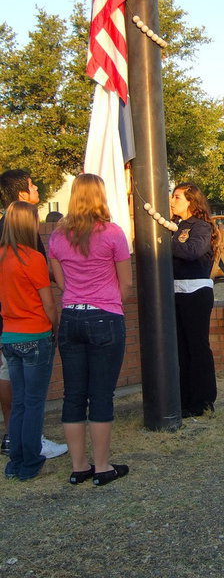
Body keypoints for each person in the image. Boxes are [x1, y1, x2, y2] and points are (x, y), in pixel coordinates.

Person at [48, 174, 132, 485]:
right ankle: (101, 466)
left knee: (73, 395)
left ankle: (79, 466)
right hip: (104, 317)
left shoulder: (57, 237)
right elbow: (126, 282)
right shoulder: (112, 233)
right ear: (100, 196)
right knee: (101, 395)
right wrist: (109, 304)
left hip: (71, 318)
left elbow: (60, 283)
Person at [0, 169, 67, 460]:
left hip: (9, 329)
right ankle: (31, 449)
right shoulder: (28, 250)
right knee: (31, 398)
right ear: (21, 196)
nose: (37, 186)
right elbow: (47, 298)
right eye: (31, 185)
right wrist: (56, 326)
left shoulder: (5, 247)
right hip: (32, 329)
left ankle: (15, 445)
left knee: (18, 394)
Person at [170, 183, 218, 417]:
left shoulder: (201, 227)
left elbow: (191, 251)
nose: (172, 201)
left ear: (191, 201)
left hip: (195, 293)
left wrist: (168, 239)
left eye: (177, 197)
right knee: (180, 349)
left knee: (197, 348)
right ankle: (184, 400)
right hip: (175, 292)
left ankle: (202, 400)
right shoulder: (174, 226)